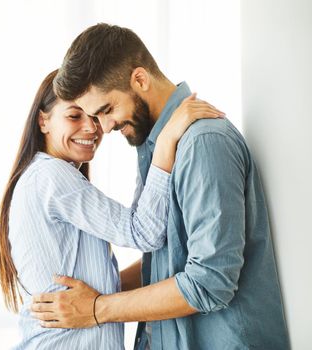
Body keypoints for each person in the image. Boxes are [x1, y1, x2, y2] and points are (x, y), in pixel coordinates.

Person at [31, 24, 290, 350]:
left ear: (140, 80)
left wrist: (99, 309)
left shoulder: (203, 143)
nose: (105, 128)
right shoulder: (156, 148)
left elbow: (210, 283)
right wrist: (84, 299)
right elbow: (169, 261)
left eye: (107, 110)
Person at [0, 69, 223, 349]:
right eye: (73, 116)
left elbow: (100, 287)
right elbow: (144, 232)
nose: (92, 128)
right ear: (43, 121)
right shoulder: (50, 176)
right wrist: (163, 143)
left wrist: (101, 303)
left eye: (93, 116)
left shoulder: (43, 177)